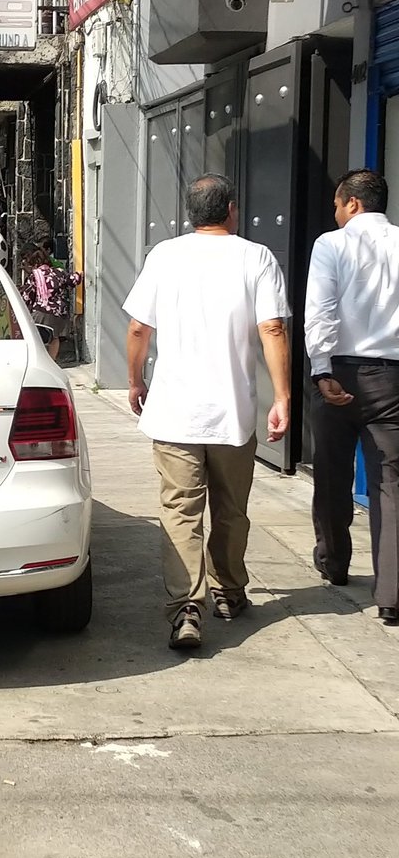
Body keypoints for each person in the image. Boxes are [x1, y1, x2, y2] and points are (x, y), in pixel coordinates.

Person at [124, 173, 291, 651]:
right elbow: (273, 329)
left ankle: (185, 610)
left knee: (180, 510)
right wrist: (282, 397)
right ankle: (229, 593)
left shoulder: (165, 255)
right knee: (231, 510)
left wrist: (136, 381)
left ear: (190, 215)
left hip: (175, 411)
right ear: (232, 210)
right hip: (233, 413)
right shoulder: (255, 257)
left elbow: (139, 328)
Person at [304, 168, 399, 625]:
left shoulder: (331, 245)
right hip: (393, 379)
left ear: (353, 203)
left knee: (331, 471)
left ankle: (335, 563)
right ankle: (392, 594)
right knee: (391, 483)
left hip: (340, 371)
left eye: (338, 205)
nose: (336, 214)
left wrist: (320, 370)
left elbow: (319, 310)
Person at [19, 246, 80, 361]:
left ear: (33, 263)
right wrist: (79, 274)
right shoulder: (59, 272)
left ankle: (39, 361)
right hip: (60, 315)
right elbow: (73, 279)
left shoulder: (34, 275)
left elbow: (27, 296)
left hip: (42, 313)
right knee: (54, 338)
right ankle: (52, 361)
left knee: (36, 339)